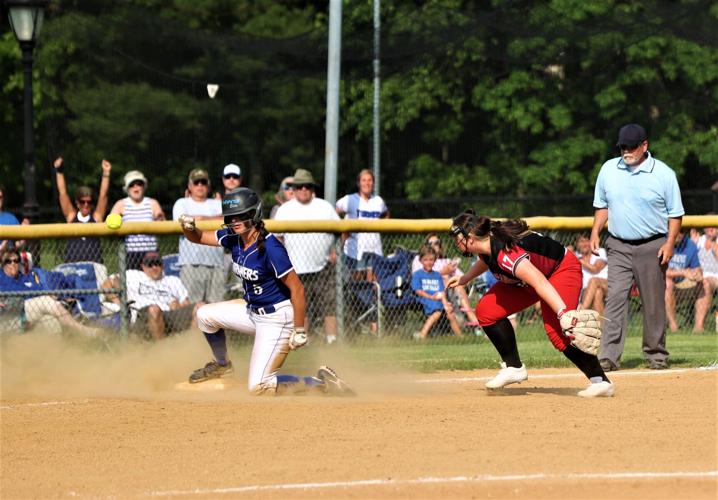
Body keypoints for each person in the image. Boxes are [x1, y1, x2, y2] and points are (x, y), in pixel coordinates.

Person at [177, 187, 352, 395]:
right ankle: (222, 366)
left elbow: (297, 289)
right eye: (232, 216)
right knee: (204, 315)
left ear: (255, 214)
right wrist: (188, 228)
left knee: (258, 387)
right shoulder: (234, 237)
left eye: (242, 215)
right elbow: (198, 237)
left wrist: (299, 330)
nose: (235, 221)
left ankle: (321, 382)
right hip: (253, 311)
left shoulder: (271, 248)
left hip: (277, 318)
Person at [447, 211, 614, 397]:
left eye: (458, 238)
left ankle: (600, 381)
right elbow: (486, 260)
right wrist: (465, 278)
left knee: (559, 332)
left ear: (470, 238)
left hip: (561, 270)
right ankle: (514, 367)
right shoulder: (488, 244)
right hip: (531, 279)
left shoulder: (506, 253)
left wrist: (562, 313)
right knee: (487, 310)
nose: (456, 243)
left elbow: (540, 281)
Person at [590, 124, 684, 371]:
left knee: (653, 303)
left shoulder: (664, 174)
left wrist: (670, 243)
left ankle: (656, 355)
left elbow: (675, 215)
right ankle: (608, 356)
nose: (626, 151)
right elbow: (602, 206)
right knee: (615, 299)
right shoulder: (609, 169)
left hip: (652, 245)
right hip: (618, 244)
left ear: (645, 146)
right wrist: (594, 231)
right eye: (622, 146)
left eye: (631, 146)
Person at [274, 169, 340, 344]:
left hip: (323, 265)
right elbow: (277, 239)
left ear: (312, 188)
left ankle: (332, 340)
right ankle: (302, 339)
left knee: (330, 304)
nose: (303, 189)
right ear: (294, 189)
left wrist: (335, 250)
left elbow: (342, 230)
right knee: (301, 305)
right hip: (295, 267)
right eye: (299, 186)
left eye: (307, 186)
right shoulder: (285, 209)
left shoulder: (324, 206)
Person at [0, 248, 101, 337]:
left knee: (52, 321)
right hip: (14, 312)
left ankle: (56, 353)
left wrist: (59, 297)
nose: (13, 264)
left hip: (33, 311)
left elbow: (40, 292)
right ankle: (84, 331)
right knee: (46, 300)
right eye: (8, 261)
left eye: (16, 261)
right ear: (2, 263)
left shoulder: (27, 277)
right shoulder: (1, 277)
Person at [102, 251, 200, 340]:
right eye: (150, 264)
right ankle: (162, 350)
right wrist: (119, 302)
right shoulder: (134, 276)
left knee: (200, 308)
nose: (154, 267)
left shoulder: (173, 280)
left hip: (169, 315)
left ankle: (189, 345)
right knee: (154, 309)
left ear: (163, 265)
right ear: (143, 266)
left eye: (157, 263)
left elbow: (185, 303)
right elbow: (106, 284)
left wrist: (177, 306)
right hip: (144, 316)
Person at [172, 168, 224, 304]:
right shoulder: (181, 203)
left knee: (216, 308)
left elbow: (228, 220)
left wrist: (200, 218)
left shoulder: (217, 203)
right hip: (191, 263)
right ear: (189, 186)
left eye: (203, 182)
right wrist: (214, 219)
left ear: (208, 185)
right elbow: (182, 221)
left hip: (216, 262)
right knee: (193, 308)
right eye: (196, 182)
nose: (200, 185)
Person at [411, 233, 479, 325]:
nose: (434, 245)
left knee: (457, 287)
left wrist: (456, 280)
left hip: (453, 291)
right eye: (430, 243)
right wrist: (444, 272)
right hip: (431, 290)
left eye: (437, 243)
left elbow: (464, 278)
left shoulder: (447, 261)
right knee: (446, 278)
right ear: (426, 245)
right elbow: (419, 276)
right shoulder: (419, 259)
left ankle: (473, 321)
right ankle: (469, 321)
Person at [53, 157, 111, 263]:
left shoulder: (96, 218)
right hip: (73, 265)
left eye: (89, 202)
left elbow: (103, 196)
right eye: (82, 201)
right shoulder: (71, 217)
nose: (85, 205)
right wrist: (59, 171)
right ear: (77, 203)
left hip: (94, 266)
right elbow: (62, 194)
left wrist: (106, 173)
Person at [335, 169, 389, 281]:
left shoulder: (378, 201)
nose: (367, 183)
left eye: (370, 180)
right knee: (357, 281)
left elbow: (386, 213)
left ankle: (374, 299)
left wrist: (383, 225)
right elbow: (335, 213)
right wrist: (343, 231)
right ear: (358, 183)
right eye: (363, 180)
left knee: (373, 282)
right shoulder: (350, 199)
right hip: (355, 249)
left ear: (373, 183)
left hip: (374, 248)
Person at [109, 171, 165, 270]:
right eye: (132, 185)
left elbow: (162, 221)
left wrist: (160, 218)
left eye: (139, 184)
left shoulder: (152, 203)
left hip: (151, 251)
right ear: (127, 189)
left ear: (144, 187)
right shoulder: (121, 204)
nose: (136, 187)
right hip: (131, 252)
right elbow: (109, 224)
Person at [411, 245, 462, 339]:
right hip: (425, 299)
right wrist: (430, 297)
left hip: (437, 300)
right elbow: (417, 290)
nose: (429, 262)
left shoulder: (437, 275)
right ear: (420, 260)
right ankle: (422, 334)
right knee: (438, 311)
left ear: (435, 260)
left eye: (431, 259)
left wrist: (446, 304)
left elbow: (441, 292)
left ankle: (461, 337)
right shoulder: (418, 274)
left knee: (449, 312)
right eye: (425, 259)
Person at [665, 231, 702, 332]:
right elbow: (661, 271)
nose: (678, 234)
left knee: (705, 283)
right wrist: (683, 272)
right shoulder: (663, 242)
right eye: (676, 230)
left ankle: (698, 328)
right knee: (668, 283)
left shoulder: (690, 244)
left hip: (683, 285)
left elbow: (697, 268)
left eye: (681, 231)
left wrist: (697, 274)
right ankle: (674, 327)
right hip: (661, 288)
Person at [692, 223, 718, 332]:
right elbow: (691, 260)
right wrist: (693, 244)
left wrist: (713, 244)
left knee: (705, 283)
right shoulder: (699, 240)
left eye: (714, 227)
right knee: (703, 282)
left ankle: (698, 327)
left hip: (715, 277)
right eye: (708, 226)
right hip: (699, 277)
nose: (710, 229)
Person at [574, 234, 608, 315]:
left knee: (594, 281)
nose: (585, 244)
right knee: (597, 292)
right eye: (581, 241)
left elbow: (595, 269)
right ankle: (600, 327)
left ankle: (581, 311)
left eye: (587, 241)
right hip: (587, 291)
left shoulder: (599, 251)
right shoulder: (576, 256)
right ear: (577, 244)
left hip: (607, 285)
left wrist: (580, 261)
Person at [0, 185, 27, 252]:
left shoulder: (11, 218)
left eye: (0, 197)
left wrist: (24, 234)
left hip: (9, 259)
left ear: (3, 199)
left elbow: (18, 245)